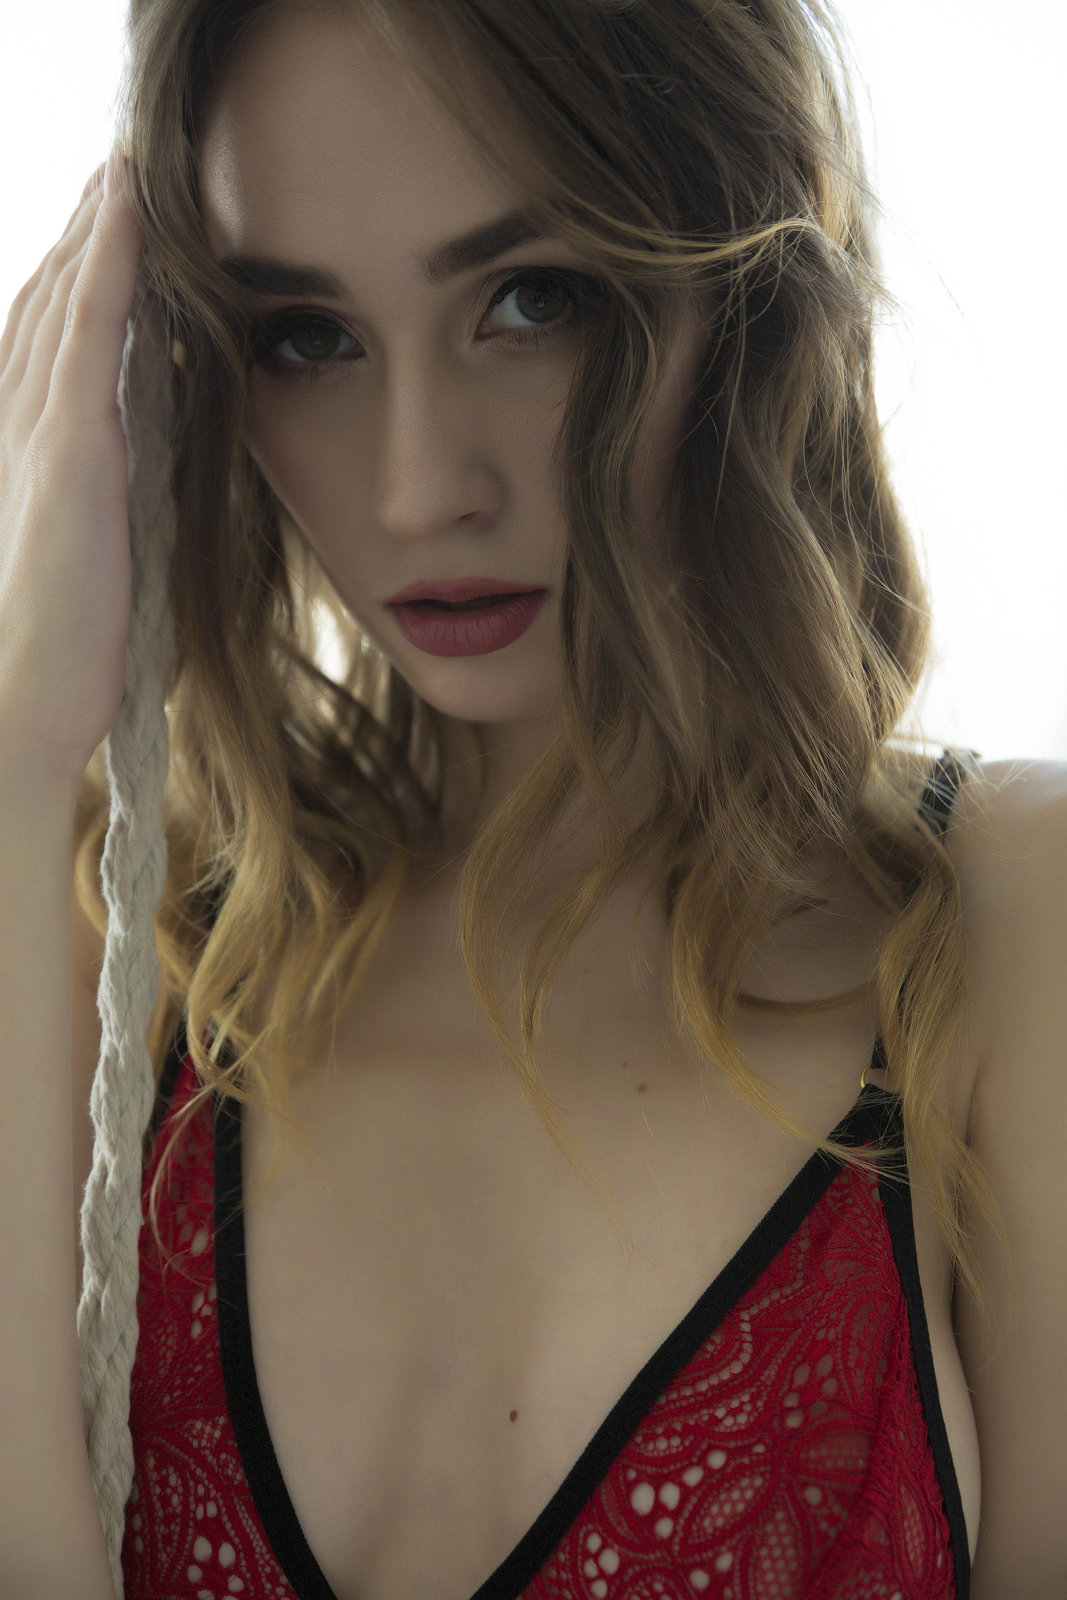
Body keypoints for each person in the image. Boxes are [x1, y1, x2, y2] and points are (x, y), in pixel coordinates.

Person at [0, 1, 1063, 1597]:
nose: (419, 487)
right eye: (304, 335)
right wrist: (18, 755)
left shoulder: (1005, 934)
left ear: (745, 284)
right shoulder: (101, 955)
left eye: (532, 301)